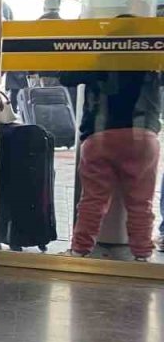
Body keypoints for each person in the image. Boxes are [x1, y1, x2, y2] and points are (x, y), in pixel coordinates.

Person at [59, 64, 162, 262]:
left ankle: (79, 251)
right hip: (143, 134)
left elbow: (65, 75)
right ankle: (142, 255)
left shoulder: (100, 56)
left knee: (93, 200)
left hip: (100, 133)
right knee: (141, 203)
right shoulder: (151, 57)